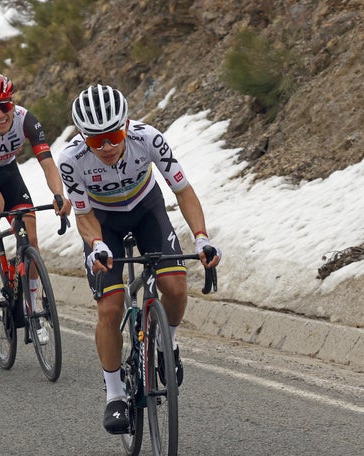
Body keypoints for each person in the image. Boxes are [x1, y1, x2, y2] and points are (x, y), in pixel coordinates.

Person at [57, 83, 222, 434]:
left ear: (127, 124)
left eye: (113, 135)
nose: (106, 146)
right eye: (95, 139)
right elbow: (83, 216)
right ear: (82, 137)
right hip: (103, 224)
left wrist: (203, 237)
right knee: (111, 307)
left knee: (174, 286)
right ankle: (115, 394)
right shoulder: (71, 161)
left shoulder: (148, 139)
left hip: (147, 210)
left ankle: (167, 342)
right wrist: (97, 245)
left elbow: (183, 190)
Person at [0, 73, 71, 343]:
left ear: (12, 104)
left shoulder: (26, 120)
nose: (0, 115)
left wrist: (58, 194)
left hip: (7, 170)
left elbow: (48, 164)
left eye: (4, 107)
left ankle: (32, 308)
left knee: (30, 235)